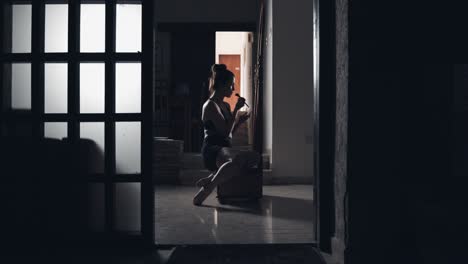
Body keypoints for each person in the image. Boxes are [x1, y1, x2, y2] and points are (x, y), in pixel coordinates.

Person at [193, 64, 260, 206]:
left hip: (224, 148)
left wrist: (238, 122)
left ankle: (210, 179)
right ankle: (209, 188)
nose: (233, 89)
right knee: (237, 161)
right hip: (213, 149)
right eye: (231, 85)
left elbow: (228, 135)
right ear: (222, 85)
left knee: (255, 157)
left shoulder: (225, 105)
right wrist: (236, 109)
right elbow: (223, 133)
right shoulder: (210, 105)